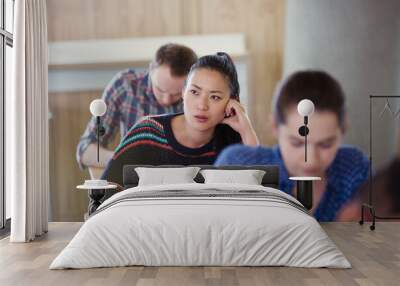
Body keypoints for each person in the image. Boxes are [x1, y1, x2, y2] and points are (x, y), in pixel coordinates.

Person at [215, 70, 369, 222]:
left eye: (325, 144)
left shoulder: (355, 169)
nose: (310, 160)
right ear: (275, 126)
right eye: (296, 143)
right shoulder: (238, 165)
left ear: (343, 128)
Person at [101, 52, 259, 187]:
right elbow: (104, 194)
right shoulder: (148, 132)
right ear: (183, 92)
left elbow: (262, 197)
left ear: (232, 102)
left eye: (215, 97)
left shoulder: (234, 139)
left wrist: (247, 132)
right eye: (195, 92)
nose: (202, 106)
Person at [76, 43, 198, 173]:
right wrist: (121, 159)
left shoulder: (199, 95)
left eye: (177, 94)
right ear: (151, 69)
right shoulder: (125, 86)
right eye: (160, 89)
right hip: (133, 181)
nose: (166, 100)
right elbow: (85, 149)